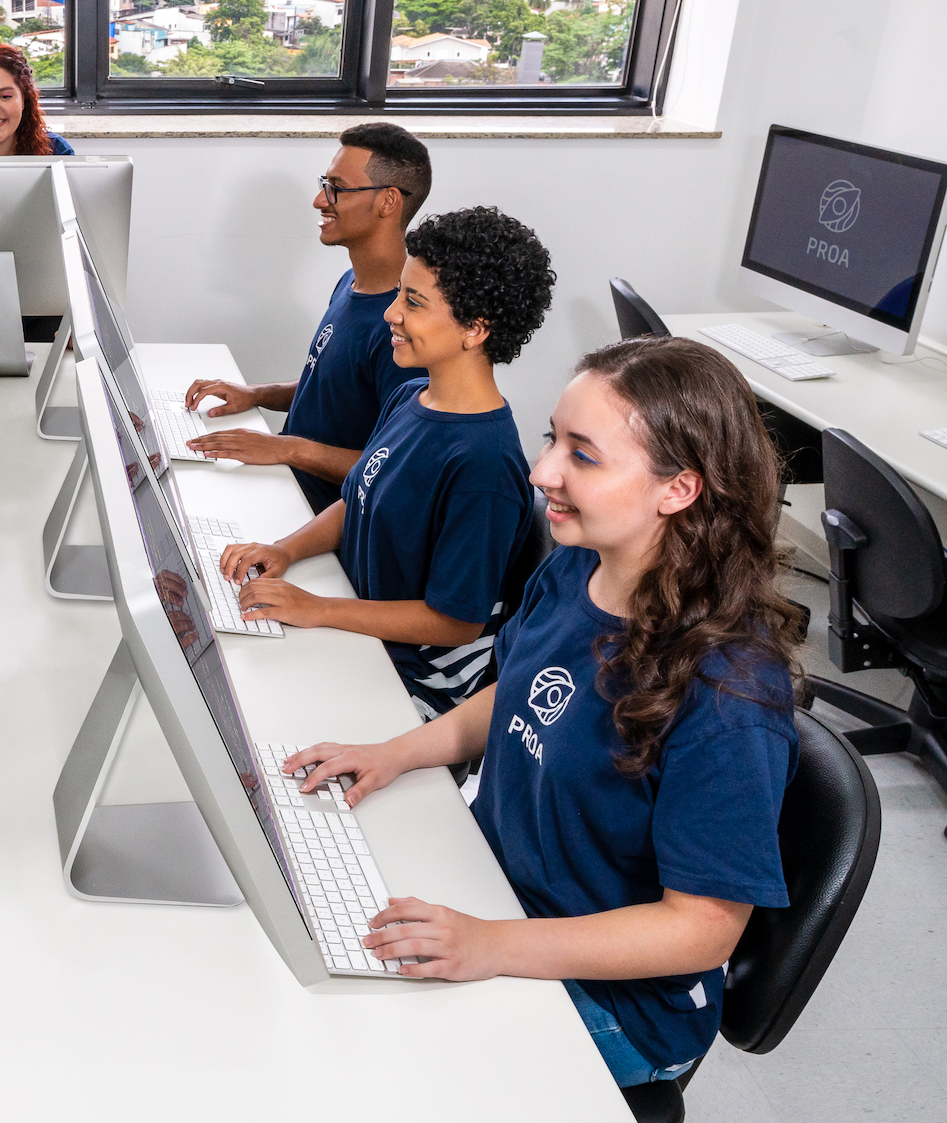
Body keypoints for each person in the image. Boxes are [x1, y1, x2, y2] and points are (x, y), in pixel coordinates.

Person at [281, 336, 801, 1089]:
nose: (542, 472)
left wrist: (491, 945)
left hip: (618, 1002)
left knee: (360, 1065)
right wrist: (399, 750)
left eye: (582, 456)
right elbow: (524, 689)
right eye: (552, 438)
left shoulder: (729, 697)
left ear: (678, 489)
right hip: (499, 895)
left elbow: (700, 929)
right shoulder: (578, 564)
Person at [222, 207, 554, 713]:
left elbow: (455, 622)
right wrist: (285, 550)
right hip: (357, 621)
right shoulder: (412, 398)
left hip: (415, 676)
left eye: (414, 302)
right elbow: (359, 495)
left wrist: (320, 609)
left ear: (476, 330)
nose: (391, 313)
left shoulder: (483, 464)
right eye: (399, 292)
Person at [184, 123, 431, 511]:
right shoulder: (351, 283)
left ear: (388, 202)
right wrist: (255, 395)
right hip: (285, 482)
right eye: (324, 183)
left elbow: (394, 468)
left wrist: (287, 448)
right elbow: (335, 387)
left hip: (319, 517)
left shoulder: (404, 326)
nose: (320, 200)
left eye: (337, 187)